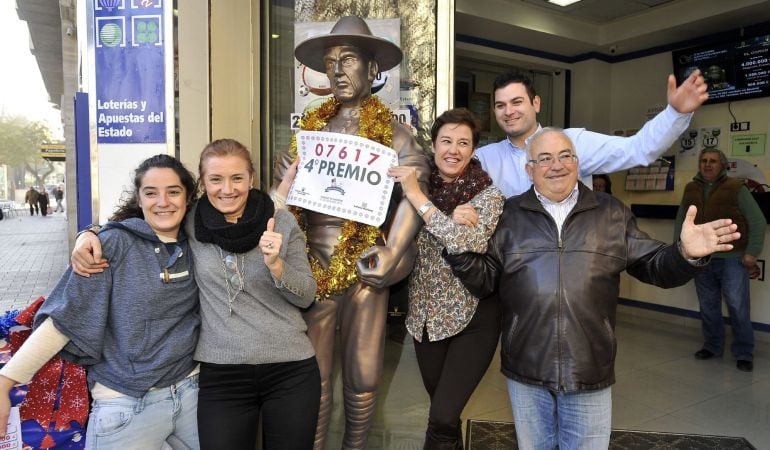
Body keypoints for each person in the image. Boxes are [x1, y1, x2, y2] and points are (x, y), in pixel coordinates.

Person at [446, 128, 739, 449]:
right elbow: (485, 280)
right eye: (544, 159)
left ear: (577, 163)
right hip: (526, 367)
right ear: (529, 171)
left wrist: (684, 252)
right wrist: (457, 246)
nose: (555, 165)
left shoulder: (611, 213)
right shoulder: (508, 215)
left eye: (564, 156)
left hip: (589, 366)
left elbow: (656, 266)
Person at [72, 139, 320, 449]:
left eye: (237, 178)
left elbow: (307, 295)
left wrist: (277, 265)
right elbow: (139, 224)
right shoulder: (189, 222)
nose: (226, 189)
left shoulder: (280, 222)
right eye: (216, 179)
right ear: (202, 183)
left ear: (251, 179)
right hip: (222, 376)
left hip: (291, 371)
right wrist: (88, 234)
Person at [272, 16, 430, 449]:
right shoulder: (309, 132)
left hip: (365, 261)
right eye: (329, 63)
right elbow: (282, 204)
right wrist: (284, 178)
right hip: (314, 265)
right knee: (314, 373)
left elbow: (415, 195)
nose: (337, 71)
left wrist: (394, 249)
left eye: (348, 60)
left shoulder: (396, 135)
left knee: (363, 374)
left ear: (373, 69)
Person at [0, 154, 201, 449]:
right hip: (126, 405)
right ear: (139, 198)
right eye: (151, 192)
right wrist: (6, 381)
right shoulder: (112, 244)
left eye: (173, 191)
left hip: (192, 393)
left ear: (188, 197)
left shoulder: (198, 240)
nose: (163, 202)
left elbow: (246, 224)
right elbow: (68, 317)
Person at [388, 108, 504, 449]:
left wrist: (418, 199)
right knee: (445, 414)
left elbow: (465, 241)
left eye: (463, 143)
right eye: (446, 141)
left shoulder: (487, 195)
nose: (454, 149)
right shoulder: (415, 187)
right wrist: (425, 202)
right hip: (425, 321)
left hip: (474, 317)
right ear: (434, 145)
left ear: (473, 150)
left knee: (440, 415)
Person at [477, 70, 708, 199]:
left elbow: (637, 149)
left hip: (569, 270)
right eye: (500, 105)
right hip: (509, 276)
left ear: (536, 103)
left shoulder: (573, 143)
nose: (508, 111)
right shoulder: (484, 159)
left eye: (517, 102)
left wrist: (675, 114)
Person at [674, 149, 766, 372]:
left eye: (713, 161)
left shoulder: (736, 188)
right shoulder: (691, 188)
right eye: (703, 161)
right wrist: (680, 251)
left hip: (732, 258)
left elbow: (758, 221)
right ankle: (713, 346)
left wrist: (752, 253)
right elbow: (681, 223)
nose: (707, 164)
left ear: (722, 165)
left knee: (737, 306)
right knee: (708, 306)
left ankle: (743, 352)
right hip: (701, 258)